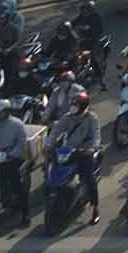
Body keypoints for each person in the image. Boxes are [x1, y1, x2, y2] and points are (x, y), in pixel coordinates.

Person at [46, 89, 101, 224]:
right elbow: (55, 132)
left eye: (75, 105)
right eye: (72, 104)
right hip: (67, 150)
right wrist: (48, 145)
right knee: (50, 170)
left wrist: (91, 148)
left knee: (89, 178)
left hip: (84, 152)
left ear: (82, 107)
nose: (72, 107)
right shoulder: (67, 117)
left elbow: (96, 136)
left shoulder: (91, 118)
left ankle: (95, 209)